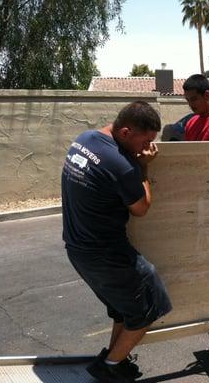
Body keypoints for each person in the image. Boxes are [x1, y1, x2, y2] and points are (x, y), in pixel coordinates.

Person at [61, 101, 172, 382]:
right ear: (125, 132)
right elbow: (141, 208)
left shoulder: (83, 140)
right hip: (105, 254)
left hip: (77, 250)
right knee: (152, 304)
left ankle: (114, 357)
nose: (146, 148)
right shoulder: (121, 165)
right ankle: (109, 365)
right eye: (144, 141)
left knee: (124, 311)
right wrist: (143, 168)